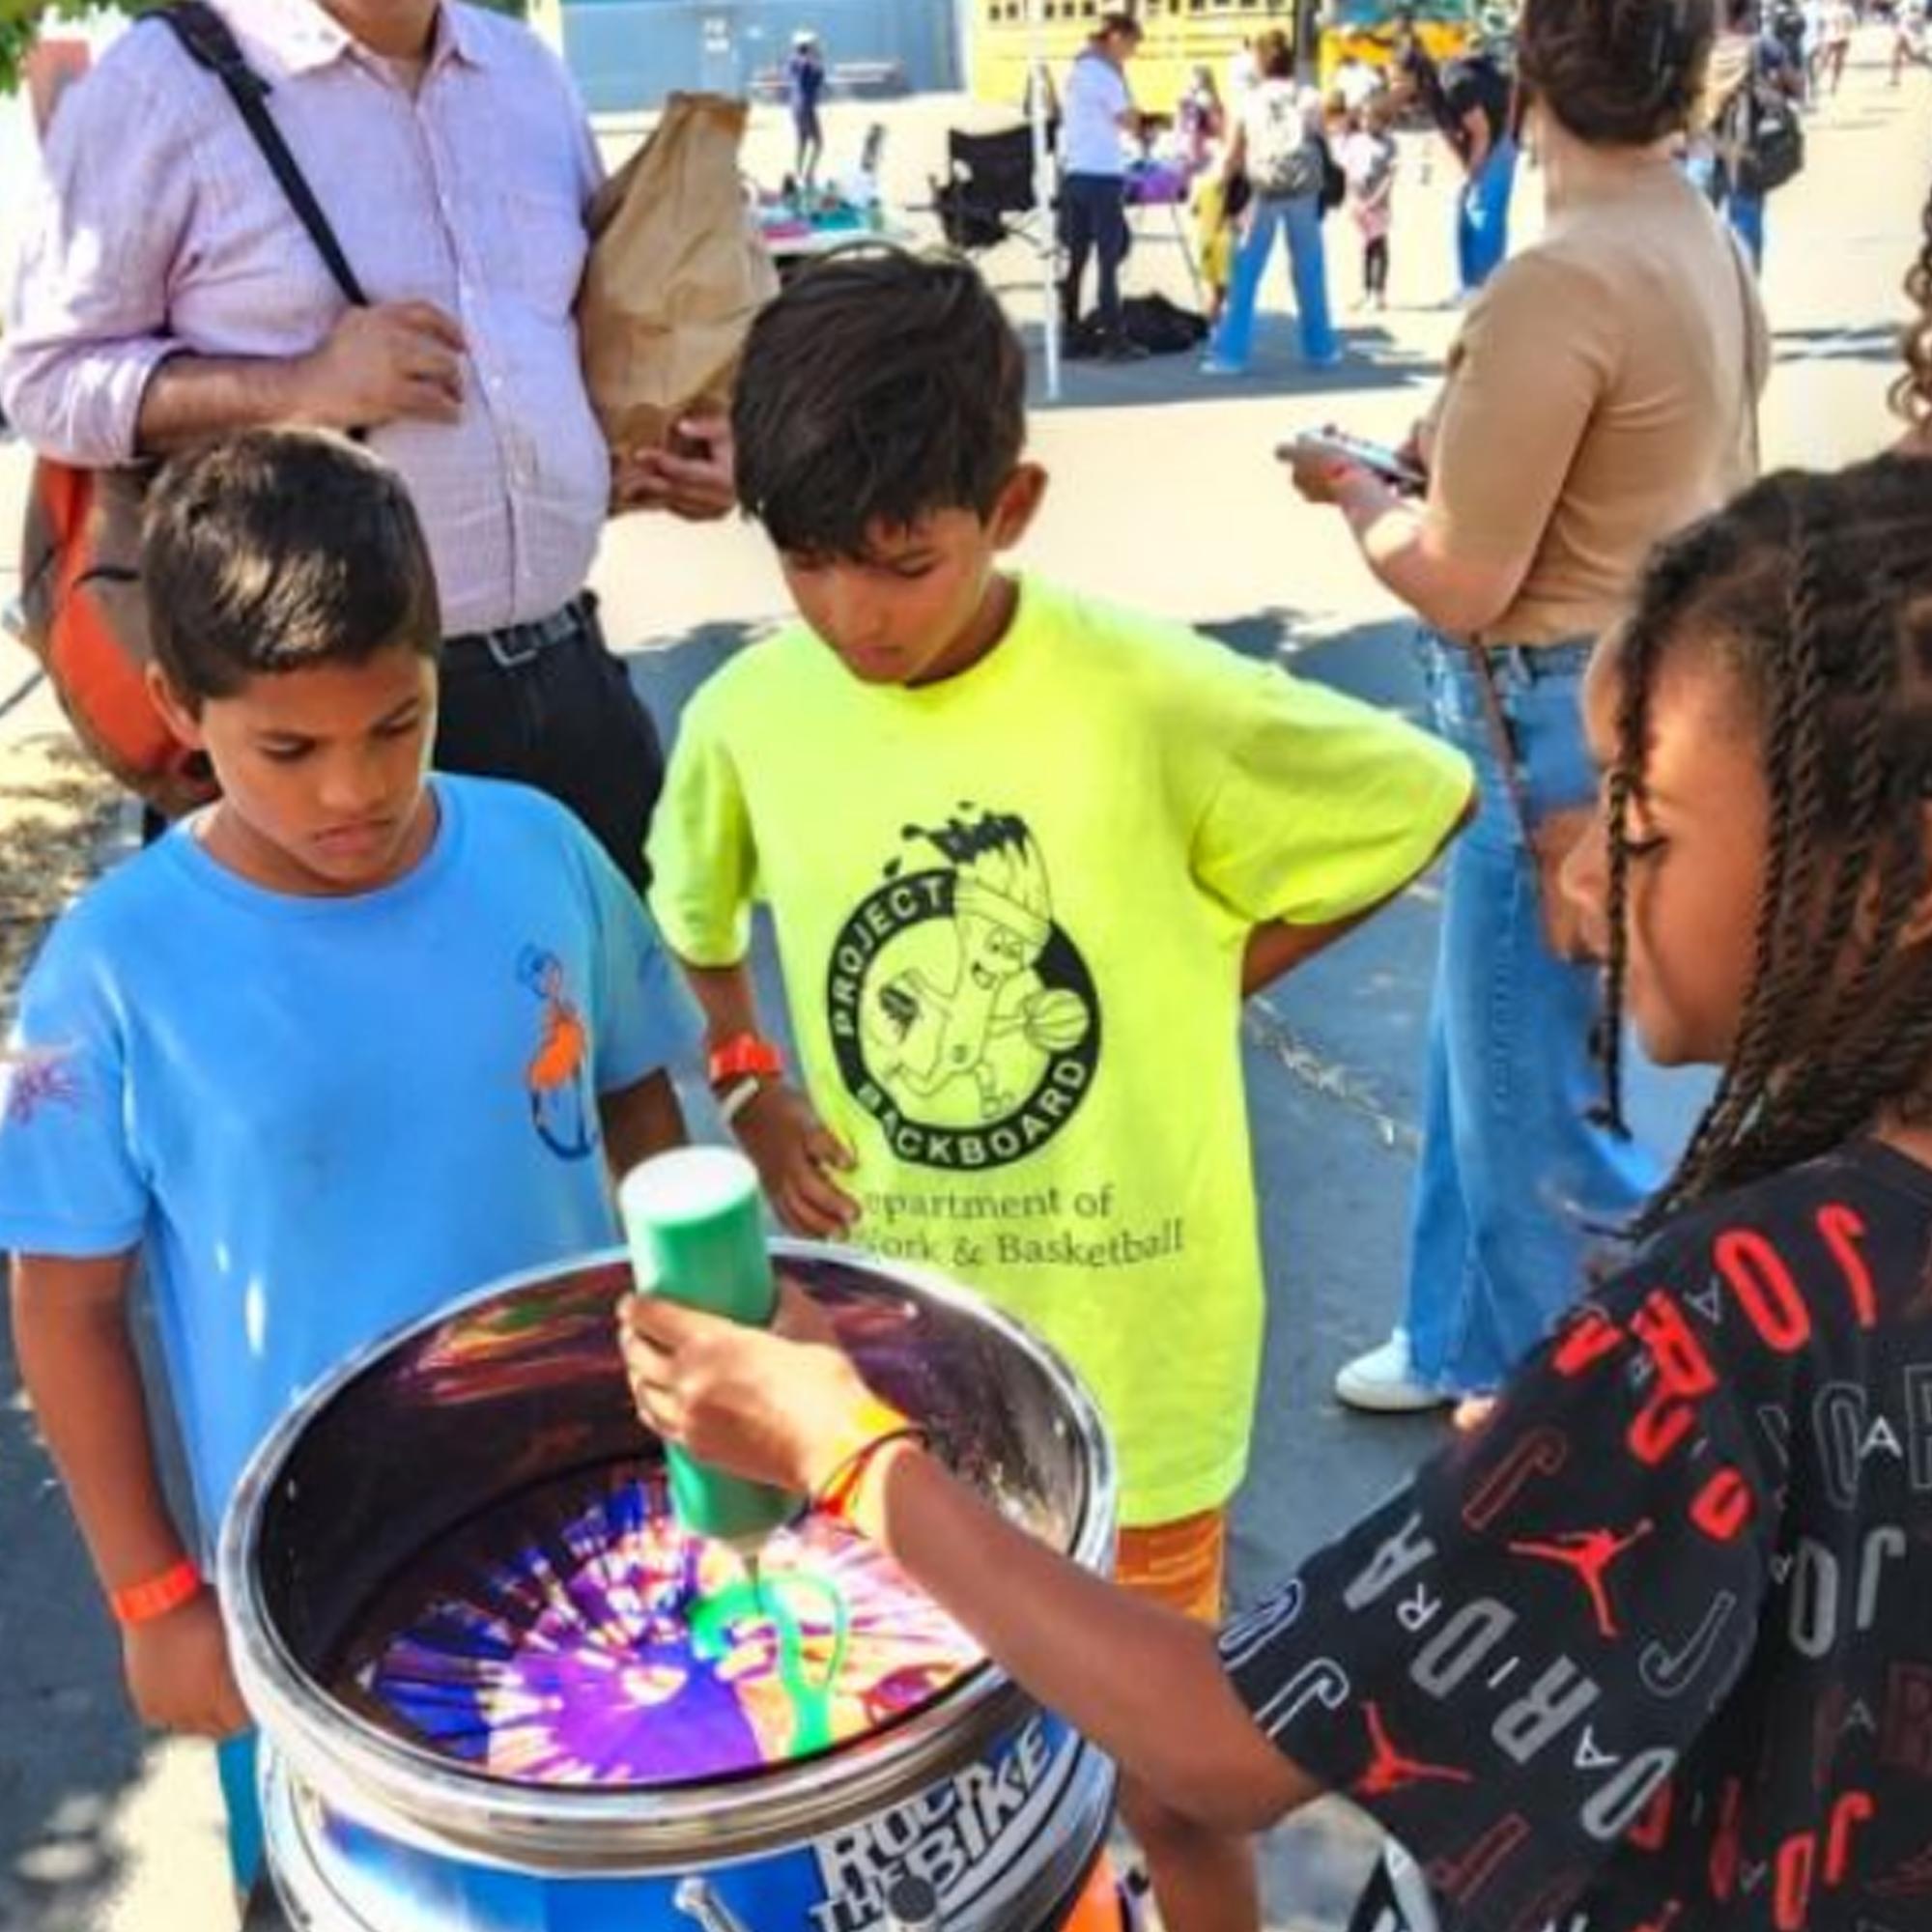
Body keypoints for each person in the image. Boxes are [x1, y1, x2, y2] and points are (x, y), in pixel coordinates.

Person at [630, 447, 1932, 1932]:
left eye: (1639, 834)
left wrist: (841, 1441)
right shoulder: (1796, 1287)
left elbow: (1216, 1752)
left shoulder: (1723, 1322)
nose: (1576, 892)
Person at [643, 250, 1474, 1932]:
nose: (854, 615)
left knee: (1172, 1767)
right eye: (807, 564)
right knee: (938, 1735)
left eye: (904, 563)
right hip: (892, 1358)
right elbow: (697, 908)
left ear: (1008, 504)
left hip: (1140, 1362)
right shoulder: (748, 713)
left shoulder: (1153, 695)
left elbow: (1420, 793)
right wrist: (751, 1085)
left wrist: (1195, 970)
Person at [0, 430, 694, 1902]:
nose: (352, 794)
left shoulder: (541, 850)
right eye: (289, 751)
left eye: (399, 724)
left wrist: (698, 1353)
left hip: (601, 1520)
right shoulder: (113, 973)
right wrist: (152, 1596)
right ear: (183, 711)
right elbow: (63, 1309)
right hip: (318, 1597)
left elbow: (638, 1101)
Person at [1287, 0, 1768, 1417]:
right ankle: (1450, 1336)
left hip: (1548, 711)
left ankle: (1550, 1422)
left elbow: (1460, 575)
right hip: (1653, 679)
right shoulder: (1700, 234)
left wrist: (1359, 492)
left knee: (1534, 1109)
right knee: (1491, 1057)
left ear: (1532, 78)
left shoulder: (1561, 278)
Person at [0, 0, 737, 892]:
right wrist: (301, 387)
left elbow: (560, 342)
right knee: (353, 1032)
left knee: (615, 1021)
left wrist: (652, 451)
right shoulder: (158, 87)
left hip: (571, 686)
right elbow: (45, 383)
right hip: (320, 739)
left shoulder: (526, 75)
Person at [1201, 31, 1339, 375]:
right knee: (1309, 270)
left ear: (1260, 65)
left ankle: (1230, 356)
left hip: (1262, 191)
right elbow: (1323, 144)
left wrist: (1217, 187)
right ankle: (1321, 349)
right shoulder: (1309, 97)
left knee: (1246, 272)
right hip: (1303, 191)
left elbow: (1232, 155)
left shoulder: (1247, 102)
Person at [1059, 12, 1147, 362]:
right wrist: (1135, 109)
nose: (1132, 52)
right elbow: (1128, 121)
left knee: (1075, 260)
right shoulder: (1105, 74)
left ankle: (1070, 334)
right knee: (1108, 260)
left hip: (1075, 173)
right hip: (1102, 174)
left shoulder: (1077, 69)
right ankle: (1114, 340)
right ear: (1115, 37)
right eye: (1131, 44)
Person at [1443, 53, 1520, 296]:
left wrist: (1473, 171)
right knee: (1482, 211)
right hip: (1504, 138)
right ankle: (1476, 283)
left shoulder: (1457, 82)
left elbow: (1482, 132)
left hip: (1497, 142)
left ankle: (1483, 283)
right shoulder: (1490, 73)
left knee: (1484, 212)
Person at [1344, 92, 1401, 311]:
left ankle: (1379, 291)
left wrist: (1377, 198)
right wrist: (1352, 197)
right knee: (1366, 246)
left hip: (1379, 202)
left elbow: (1390, 175)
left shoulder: (1389, 144)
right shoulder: (1355, 141)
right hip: (1359, 201)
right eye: (1364, 117)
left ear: (1382, 120)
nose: (1366, 122)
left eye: (1372, 118)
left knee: (1378, 245)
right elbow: (1348, 170)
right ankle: (1365, 290)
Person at [786, 28, 827, 187]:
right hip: (806, 105)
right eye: (813, 45)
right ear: (808, 47)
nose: (817, 47)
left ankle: (798, 174)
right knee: (818, 142)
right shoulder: (808, 62)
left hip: (795, 106)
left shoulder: (793, 60)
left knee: (802, 141)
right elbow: (817, 73)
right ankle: (808, 175)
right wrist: (815, 58)